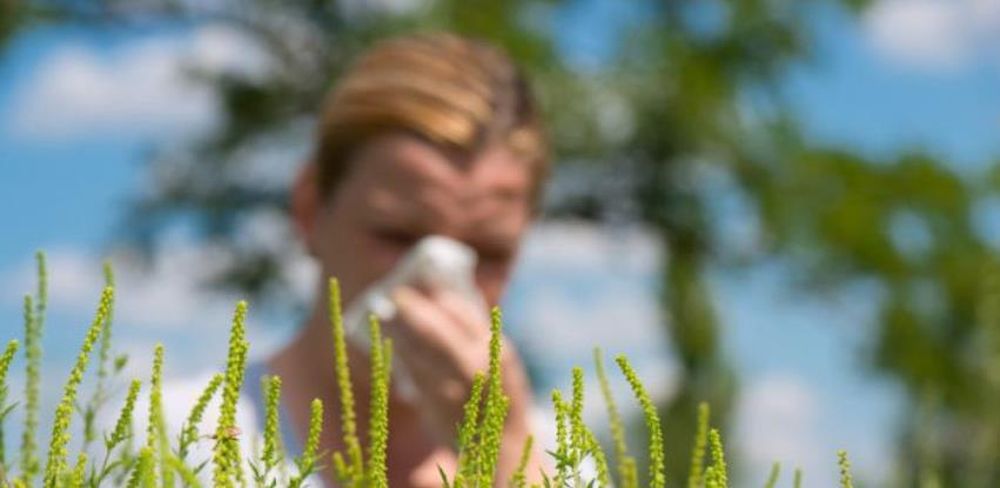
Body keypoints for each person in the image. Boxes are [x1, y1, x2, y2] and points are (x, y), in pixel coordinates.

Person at [266, 32, 550, 487]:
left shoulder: (560, 458)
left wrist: (508, 459)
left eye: (488, 254)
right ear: (310, 209)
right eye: (397, 236)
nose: (435, 285)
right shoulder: (166, 438)